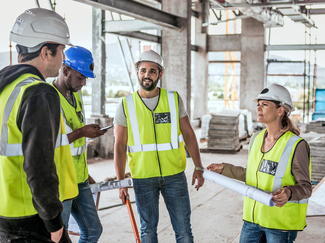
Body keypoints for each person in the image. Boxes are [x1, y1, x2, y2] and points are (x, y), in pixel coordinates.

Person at [0, 8, 78, 243]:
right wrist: (53, 221)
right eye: (61, 50)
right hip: (30, 217)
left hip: (5, 213)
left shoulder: (6, 87)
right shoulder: (39, 92)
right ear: (46, 52)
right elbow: (39, 164)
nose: (63, 57)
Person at [114, 49, 205, 243]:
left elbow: (189, 134)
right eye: (143, 70)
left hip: (174, 175)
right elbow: (120, 145)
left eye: (152, 71)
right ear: (137, 72)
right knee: (148, 231)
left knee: (184, 230)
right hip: (143, 177)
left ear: (160, 74)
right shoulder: (125, 105)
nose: (147, 75)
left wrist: (198, 166)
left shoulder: (173, 99)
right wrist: (120, 181)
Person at [207, 83, 312, 243]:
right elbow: (252, 174)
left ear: (280, 110)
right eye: (258, 104)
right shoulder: (256, 138)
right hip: (252, 219)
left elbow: (305, 187)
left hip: (280, 224)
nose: (258, 108)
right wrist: (224, 169)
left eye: (265, 104)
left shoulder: (295, 145)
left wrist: (288, 193)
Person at [52, 46, 107, 242]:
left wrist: (87, 175)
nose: (83, 83)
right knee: (59, 237)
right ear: (65, 70)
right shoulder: (49, 98)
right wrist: (83, 132)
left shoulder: (76, 94)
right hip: (61, 182)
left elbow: (75, 138)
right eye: (80, 77)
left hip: (80, 178)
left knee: (93, 230)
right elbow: (50, 142)